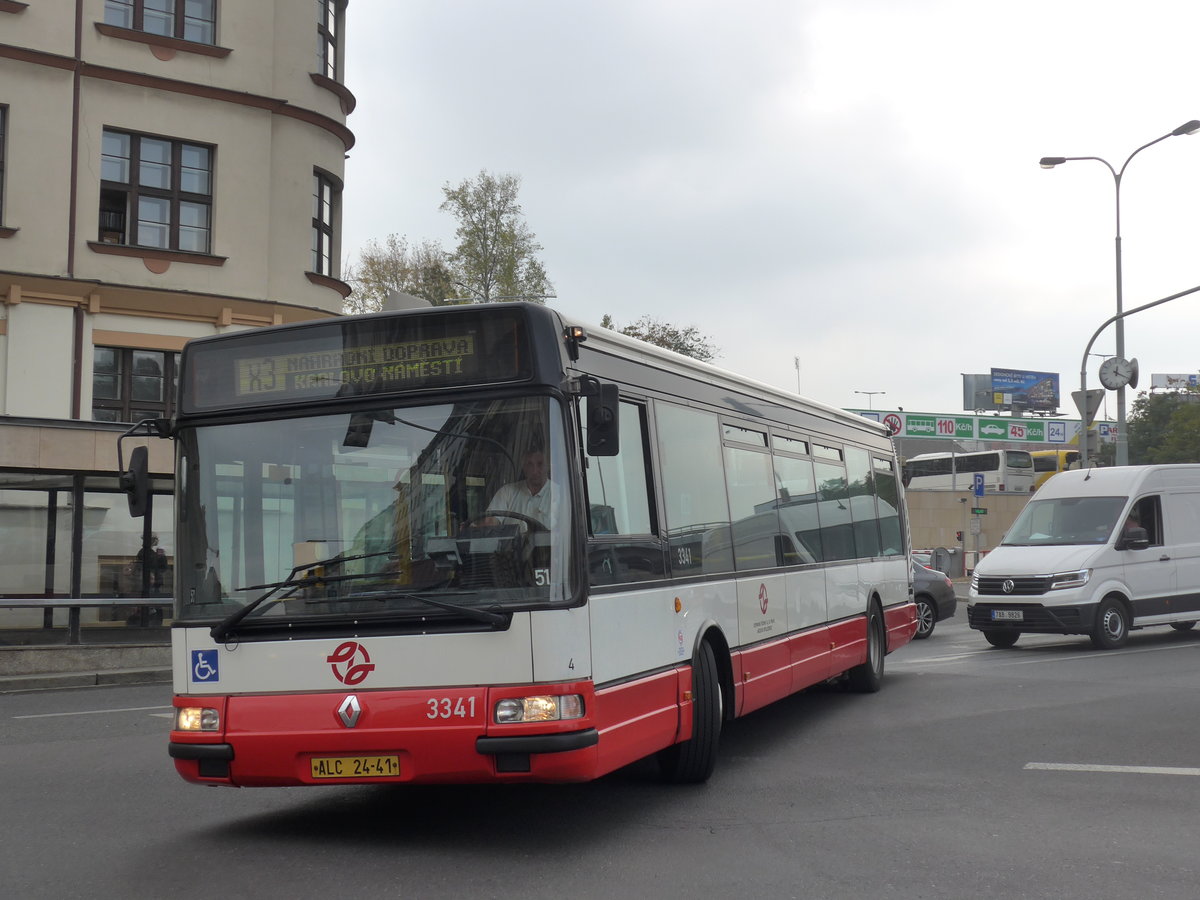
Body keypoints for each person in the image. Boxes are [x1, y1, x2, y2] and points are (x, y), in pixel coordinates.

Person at [484, 447, 552, 527]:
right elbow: (489, 523)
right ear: (524, 467)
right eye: (530, 464)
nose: (534, 471)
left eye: (540, 464)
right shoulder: (507, 492)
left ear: (548, 466)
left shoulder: (560, 495)